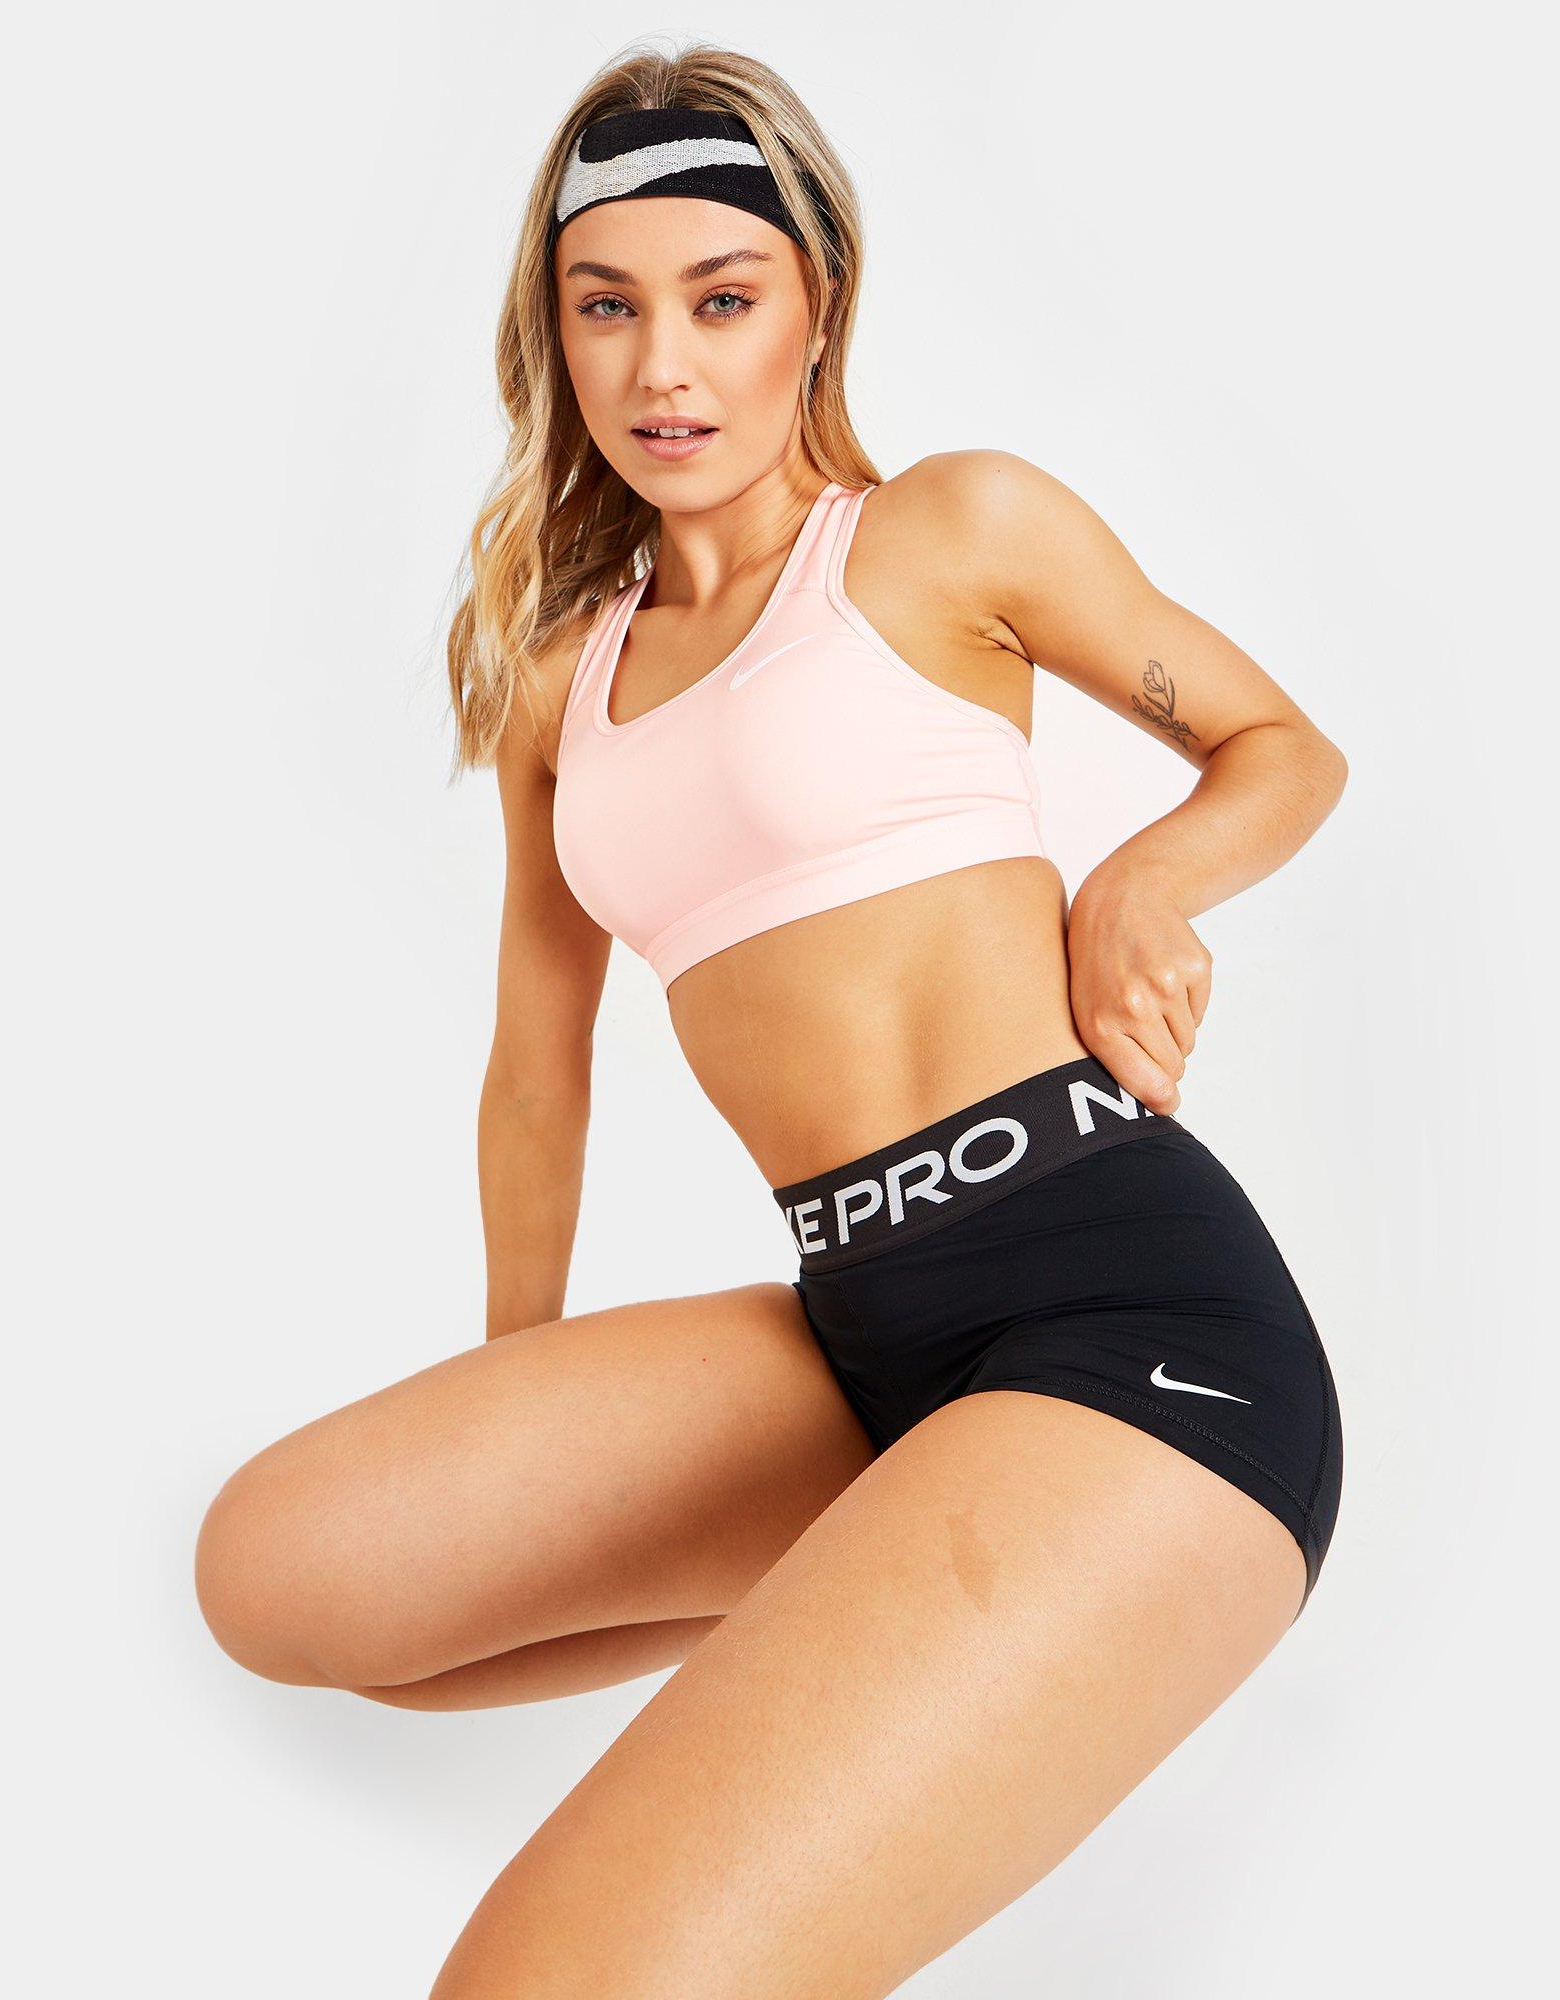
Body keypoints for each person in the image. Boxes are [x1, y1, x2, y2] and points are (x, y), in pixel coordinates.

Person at [196, 43, 1348, 1998]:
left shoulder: (945, 532)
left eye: (721, 301)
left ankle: (972, 1556)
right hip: (855, 1325)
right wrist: (525, 1387)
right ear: (553, 333)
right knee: (282, 1571)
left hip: (1129, 1318)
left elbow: (1278, 745)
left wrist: (1135, 886)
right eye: (607, 306)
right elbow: (535, 1071)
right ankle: (889, 1549)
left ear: (817, 305)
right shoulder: (562, 684)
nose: (664, 366)